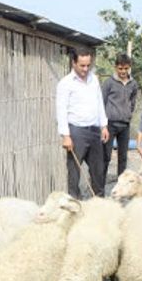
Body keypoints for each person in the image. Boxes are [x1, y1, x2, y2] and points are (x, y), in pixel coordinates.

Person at [55, 46, 109, 199]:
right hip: (76, 132)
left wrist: (104, 125)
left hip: (94, 129)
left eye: (88, 65)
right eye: (82, 65)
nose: (86, 69)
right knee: (74, 172)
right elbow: (61, 110)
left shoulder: (94, 79)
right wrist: (66, 135)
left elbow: (99, 102)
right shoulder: (65, 83)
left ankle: (99, 203)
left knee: (98, 170)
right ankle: (75, 203)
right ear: (73, 63)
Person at [101, 53, 138, 179]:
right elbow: (102, 102)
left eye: (126, 68)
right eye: (120, 68)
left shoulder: (133, 84)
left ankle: (121, 184)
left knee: (123, 157)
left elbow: (132, 102)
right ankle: (100, 183)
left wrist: (128, 114)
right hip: (110, 125)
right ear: (115, 67)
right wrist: (103, 125)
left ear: (130, 68)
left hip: (125, 125)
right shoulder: (108, 83)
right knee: (106, 155)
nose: (123, 71)